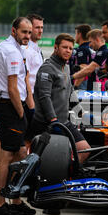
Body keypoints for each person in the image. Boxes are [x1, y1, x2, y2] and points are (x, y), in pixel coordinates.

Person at [0, 17, 36, 215]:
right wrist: (21, 112)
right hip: (12, 107)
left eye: (29, 32)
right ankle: (0, 205)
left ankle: (15, 200)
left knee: (19, 153)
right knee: (7, 157)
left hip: (5, 104)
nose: (27, 36)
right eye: (24, 32)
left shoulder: (5, 48)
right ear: (14, 30)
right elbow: (12, 87)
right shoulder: (11, 52)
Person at [28, 33, 91, 164]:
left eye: (70, 48)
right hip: (46, 123)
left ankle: (67, 178)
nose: (68, 51)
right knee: (44, 159)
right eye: (64, 47)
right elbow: (44, 97)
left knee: (84, 150)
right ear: (56, 47)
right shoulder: (47, 68)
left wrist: (82, 112)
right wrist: (53, 119)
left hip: (63, 121)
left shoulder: (66, 67)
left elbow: (70, 92)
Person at [23, 13, 45, 126]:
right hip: (28, 99)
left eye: (41, 27)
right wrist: (31, 104)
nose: (40, 30)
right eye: (37, 27)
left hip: (37, 97)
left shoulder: (36, 48)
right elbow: (24, 78)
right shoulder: (26, 49)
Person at [70, 24, 94, 90]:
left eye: (76, 34)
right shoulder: (91, 48)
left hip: (82, 84)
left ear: (79, 34)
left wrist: (75, 86)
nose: (75, 37)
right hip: (91, 83)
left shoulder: (82, 49)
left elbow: (83, 70)